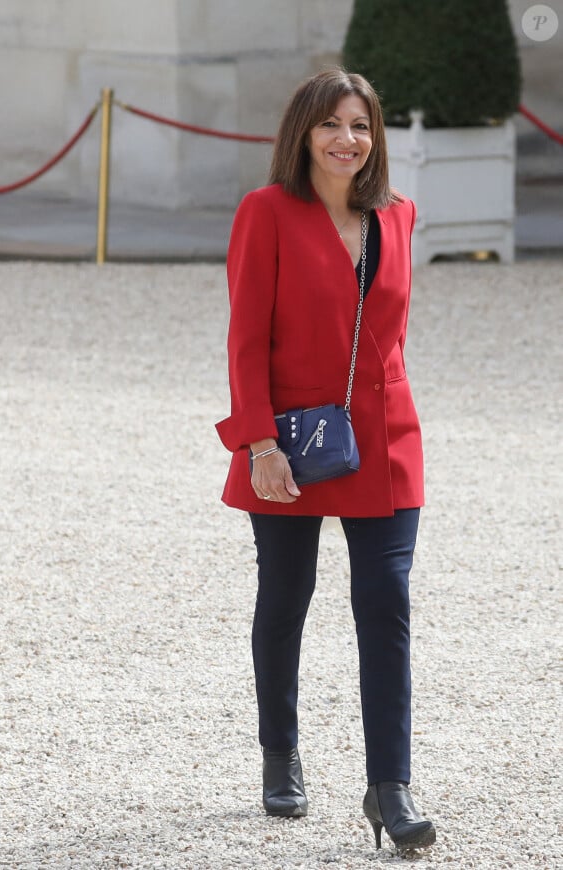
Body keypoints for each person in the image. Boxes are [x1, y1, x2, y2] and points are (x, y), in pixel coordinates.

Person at [216, 68, 436, 852]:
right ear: (302, 134)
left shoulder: (400, 215)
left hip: (386, 443)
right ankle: (281, 753)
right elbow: (244, 340)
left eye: (362, 125)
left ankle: (391, 787)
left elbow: (392, 337)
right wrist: (259, 442)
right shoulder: (267, 213)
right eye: (332, 125)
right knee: (286, 598)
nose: (348, 140)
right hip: (291, 445)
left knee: (387, 608)